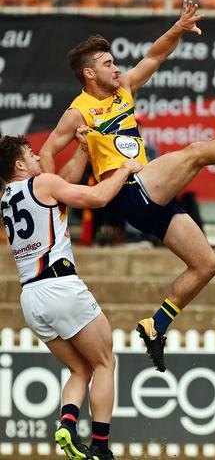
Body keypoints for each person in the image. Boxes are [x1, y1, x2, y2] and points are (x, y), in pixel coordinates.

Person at [38, 0, 215, 373]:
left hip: (150, 193)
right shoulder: (78, 111)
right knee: (195, 153)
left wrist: (179, 27)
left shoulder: (123, 89)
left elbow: (154, 57)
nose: (117, 66)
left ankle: (155, 325)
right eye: (108, 63)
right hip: (127, 190)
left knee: (206, 264)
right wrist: (47, 196)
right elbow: (46, 153)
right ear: (89, 74)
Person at [0, 136, 143, 460]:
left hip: (31, 297)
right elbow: (97, 197)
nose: (38, 157)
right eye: (32, 154)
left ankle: (67, 423)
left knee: (81, 369)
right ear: (20, 165)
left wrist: (81, 150)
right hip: (60, 286)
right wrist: (125, 169)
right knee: (106, 361)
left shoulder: (7, 198)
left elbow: (59, 185)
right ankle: (101, 447)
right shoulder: (44, 183)